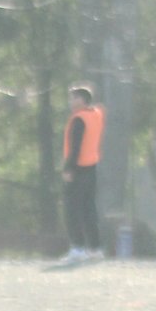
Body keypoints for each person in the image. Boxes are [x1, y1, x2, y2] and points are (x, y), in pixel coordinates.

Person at [62, 83, 105, 259]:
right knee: (89, 209)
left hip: (78, 169)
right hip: (92, 168)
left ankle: (77, 247)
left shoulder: (79, 119)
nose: (70, 102)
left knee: (72, 209)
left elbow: (75, 147)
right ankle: (95, 248)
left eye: (73, 98)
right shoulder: (95, 115)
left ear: (81, 100)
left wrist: (68, 168)